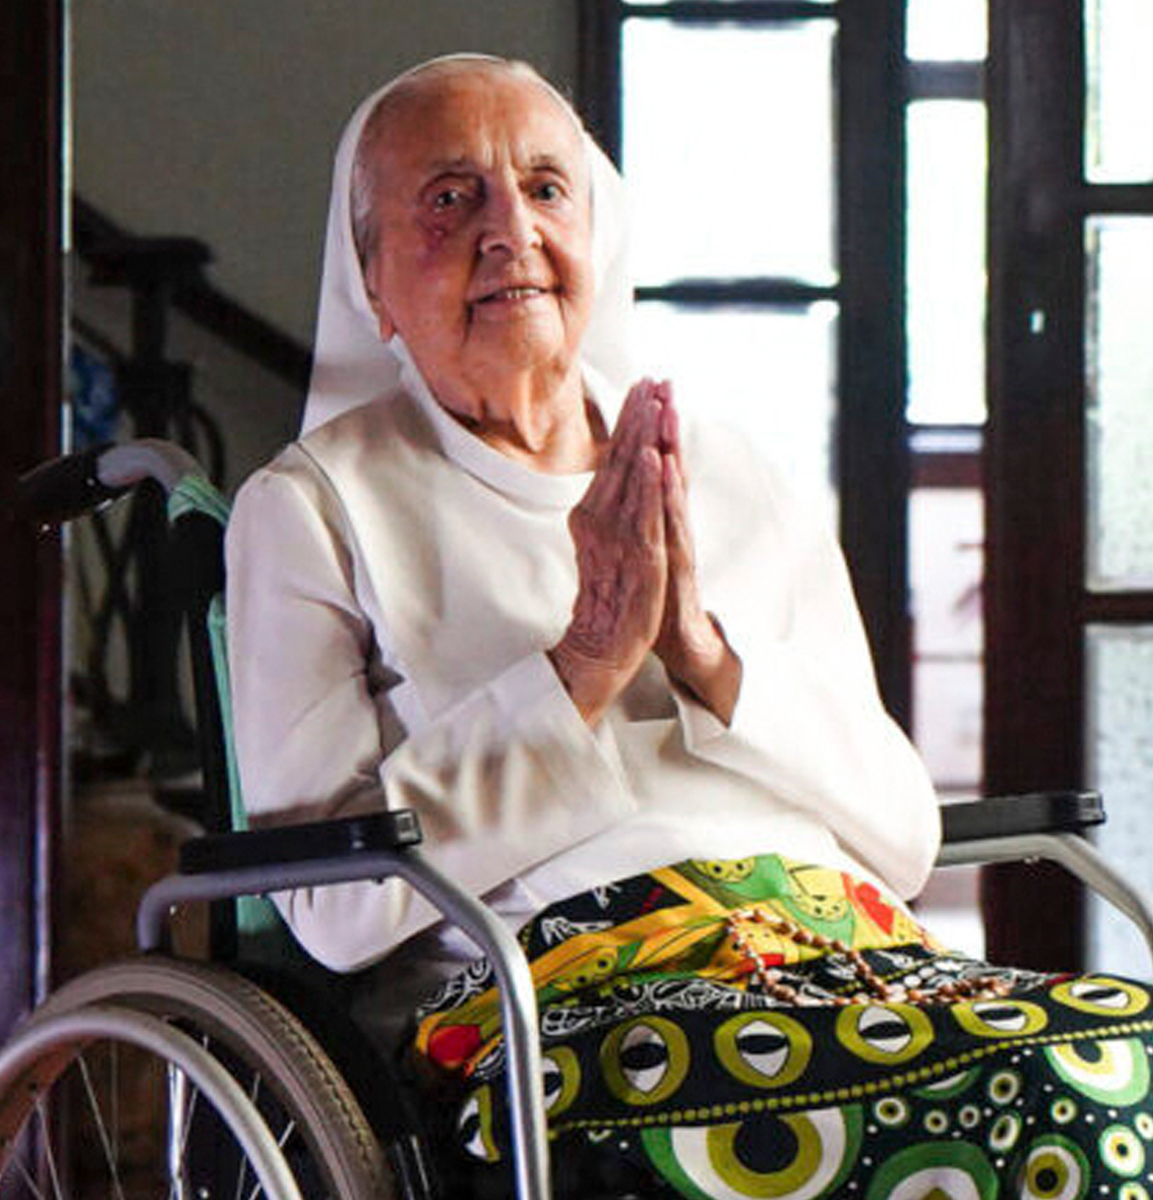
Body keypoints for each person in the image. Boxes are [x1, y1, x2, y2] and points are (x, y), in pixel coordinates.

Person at [227, 54, 1153, 1199]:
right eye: (451, 197)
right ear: (371, 280)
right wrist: (580, 668)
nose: (511, 229)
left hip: (841, 959)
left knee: (1119, 1058)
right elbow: (325, 905)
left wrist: (703, 655)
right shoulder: (314, 506)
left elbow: (904, 835)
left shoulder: (724, 468)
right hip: (568, 997)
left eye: (547, 188)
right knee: (1010, 1102)